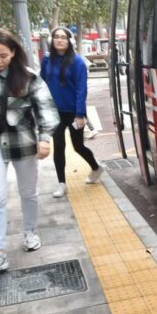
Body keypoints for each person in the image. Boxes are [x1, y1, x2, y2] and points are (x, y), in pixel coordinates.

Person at [0, 29, 59, 272]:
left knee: (28, 193)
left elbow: (46, 109)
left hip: (23, 142)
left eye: (3, 55)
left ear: (13, 52)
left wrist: (45, 138)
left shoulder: (28, 77)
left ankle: (30, 232)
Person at [40, 26, 102, 199]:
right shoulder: (47, 60)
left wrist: (80, 114)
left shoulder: (77, 62)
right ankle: (62, 184)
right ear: (52, 40)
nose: (59, 40)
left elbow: (81, 89)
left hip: (74, 112)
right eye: (56, 37)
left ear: (70, 41)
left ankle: (96, 167)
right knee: (58, 147)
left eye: (63, 37)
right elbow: (42, 84)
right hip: (54, 112)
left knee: (78, 146)